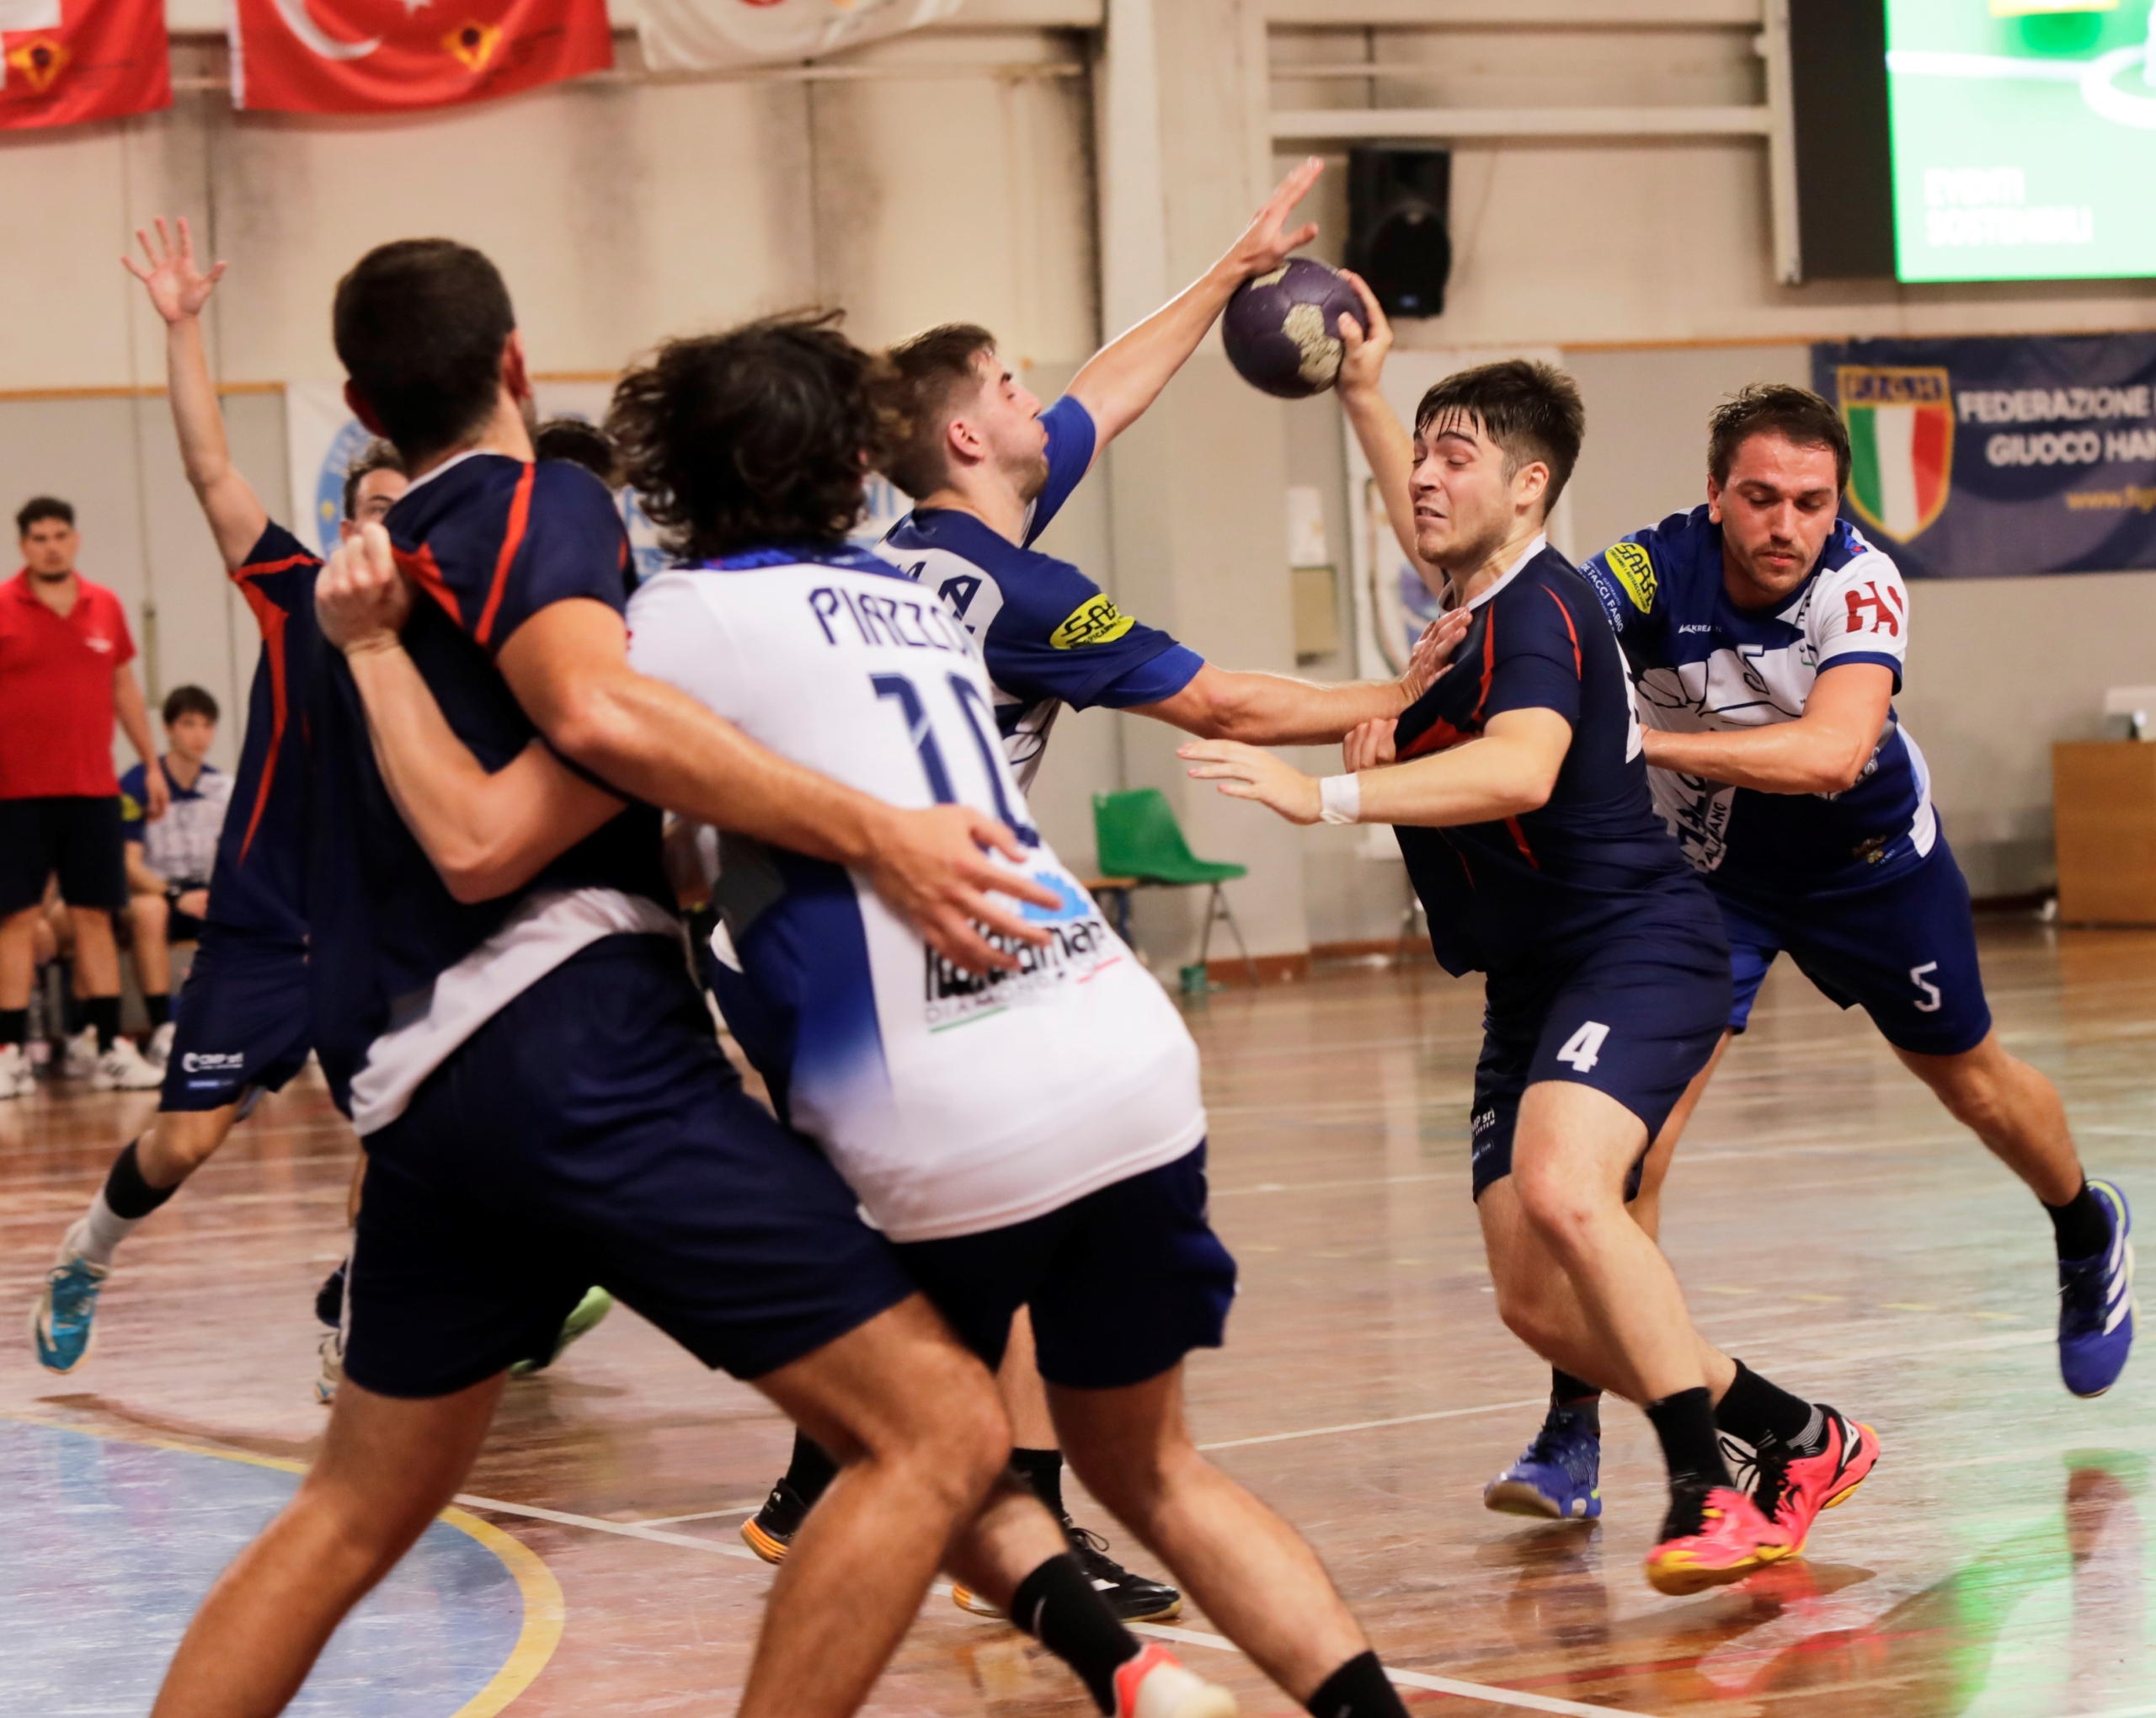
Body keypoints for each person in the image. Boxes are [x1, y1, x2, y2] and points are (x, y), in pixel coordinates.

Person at [147, 237, 1222, 1718]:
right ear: (515, 364)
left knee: (348, 1513)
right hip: (574, 1056)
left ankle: (1121, 1668)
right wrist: (874, 830)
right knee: (937, 1419)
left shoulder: (347, 602)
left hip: (410, 1097)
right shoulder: (541, 500)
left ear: (361, 407)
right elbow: (576, 743)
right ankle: (1126, 1665)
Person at [313, 305, 1416, 1718]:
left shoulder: (677, 624)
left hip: (943, 1092)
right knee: (1154, 1469)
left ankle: (1067, 1637)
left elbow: (507, 836)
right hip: (1124, 1051)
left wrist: (377, 655)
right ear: (854, 464)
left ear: (667, 481)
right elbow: (1093, 429)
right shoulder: (937, 593)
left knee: (906, 1445)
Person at [745, 159, 1459, 1619]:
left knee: (988, 1208)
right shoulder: (1022, 596)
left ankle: (924, 1503)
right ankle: (876, 1490)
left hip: (844, 921)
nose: (1043, 399)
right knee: (1000, 1201)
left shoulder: (935, 542)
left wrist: (1227, 271)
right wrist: (1408, 692)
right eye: (1013, 385)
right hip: (891, 939)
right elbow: (1226, 704)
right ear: (966, 434)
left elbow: (1109, 397)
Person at [1182, 355, 1875, 1597]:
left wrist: (1322, 798)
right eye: (1419, 456)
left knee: (1566, 1188)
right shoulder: (1462, 623)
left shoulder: (1543, 612)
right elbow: (1261, 694)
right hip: (1529, 983)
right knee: (1538, 1307)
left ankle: (1705, 1490)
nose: (1423, 478)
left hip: (1636, 949)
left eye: (1454, 458)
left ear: (1529, 485)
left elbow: (1520, 770)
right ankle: (1796, 1434)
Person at [1470, 381, 2133, 1520]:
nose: (1785, 524)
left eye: (1811, 502)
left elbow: (1830, 754)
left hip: (1869, 871)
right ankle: (1574, 1429)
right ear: (1715, 494)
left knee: (1971, 1084)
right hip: (1711, 883)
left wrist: (1641, 745)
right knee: (1625, 1157)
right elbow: (1543, 627)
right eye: (1761, 497)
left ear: (1839, 507)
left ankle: (2084, 1222)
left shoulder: (1860, 584)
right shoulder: (1647, 570)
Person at [28, 219, 410, 1379]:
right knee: (184, 1141)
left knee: (399, 1133)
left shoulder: (449, 631)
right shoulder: (291, 587)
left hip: (381, 933)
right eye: (375, 505)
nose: (389, 524)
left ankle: (358, 1331)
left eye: (409, 509)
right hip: (262, 931)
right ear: (346, 517)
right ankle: (87, 1254)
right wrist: (182, 327)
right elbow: (208, 470)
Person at [0, 495, 168, 1096]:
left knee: (95, 915)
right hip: (15, 794)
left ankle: (110, 1047)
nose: (51, 546)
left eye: (60, 535)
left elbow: (124, 687)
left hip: (92, 789)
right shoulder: (3, 606)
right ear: (23, 545)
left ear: (75, 539)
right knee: (17, 919)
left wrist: (151, 763)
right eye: (39, 537)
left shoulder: (106, 606)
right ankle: (8, 1052)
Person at [120, 685, 232, 1066]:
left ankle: (263, 1023)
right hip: (156, 893)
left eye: (208, 725)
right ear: (168, 729)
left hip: (205, 895)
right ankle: (163, 1028)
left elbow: (240, 858)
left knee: (267, 907)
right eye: (189, 724)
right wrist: (173, 895)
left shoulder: (223, 788)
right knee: (150, 911)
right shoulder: (137, 784)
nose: (199, 735)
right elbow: (128, 863)